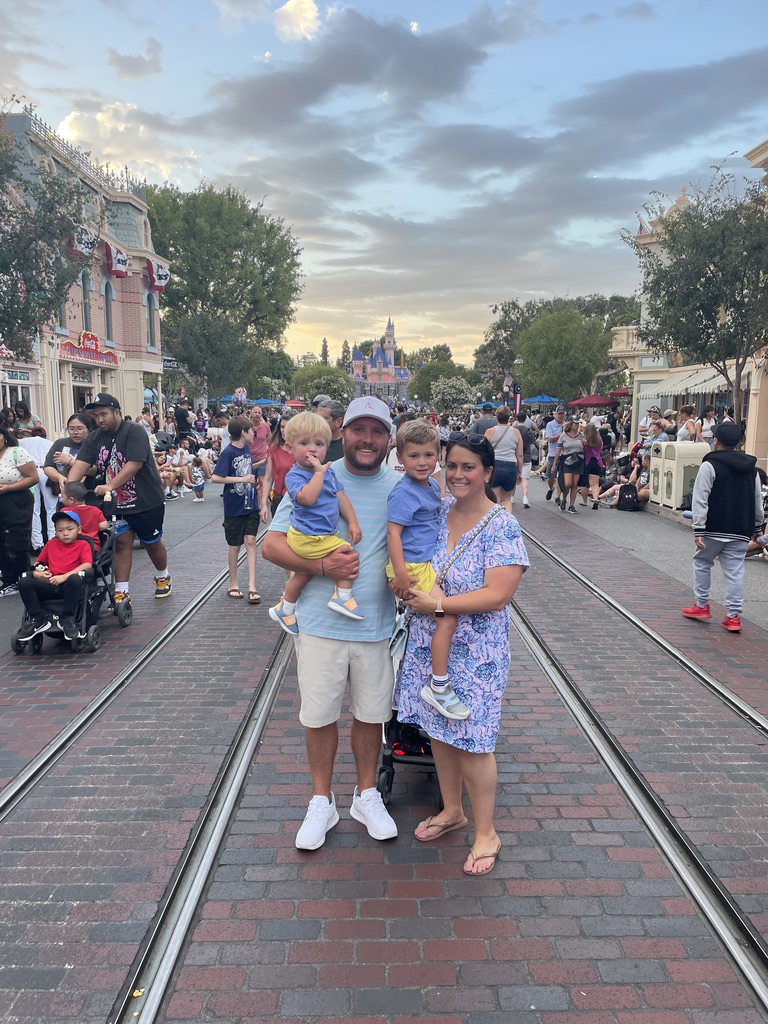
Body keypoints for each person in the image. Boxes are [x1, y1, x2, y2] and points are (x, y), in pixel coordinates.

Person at [262, 395, 399, 851]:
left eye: (377, 431)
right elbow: (272, 545)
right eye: (359, 430)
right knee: (319, 717)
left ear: (388, 438)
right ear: (343, 433)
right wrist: (322, 568)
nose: (367, 439)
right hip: (321, 623)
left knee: (371, 715)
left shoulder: (402, 484)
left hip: (376, 624)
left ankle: (366, 794)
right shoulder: (314, 472)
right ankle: (321, 801)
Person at [394, 432, 528, 875]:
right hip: (429, 644)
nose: (457, 474)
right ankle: (452, 810)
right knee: (438, 729)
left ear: (487, 472)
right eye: (451, 465)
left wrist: (438, 605)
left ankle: (487, 833)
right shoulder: (437, 511)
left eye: (468, 467)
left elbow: (498, 594)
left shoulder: (501, 525)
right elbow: (414, 561)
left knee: (473, 740)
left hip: (477, 652)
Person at [386, 420, 463, 719]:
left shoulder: (430, 485)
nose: (422, 462)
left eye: (428, 455)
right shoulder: (404, 492)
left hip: (422, 564)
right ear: (400, 458)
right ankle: (438, 685)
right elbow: (393, 534)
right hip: (412, 567)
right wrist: (401, 573)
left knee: (441, 618)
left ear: (438, 456)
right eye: (414, 456)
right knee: (447, 617)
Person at [68, 393, 172, 602]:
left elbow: (134, 464)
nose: (100, 419)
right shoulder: (95, 437)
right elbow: (81, 464)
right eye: (96, 416)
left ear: (117, 412)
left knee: (151, 542)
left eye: (104, 414)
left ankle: (163, 575)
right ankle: (121, 591)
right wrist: (70, 490)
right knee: (121, 544)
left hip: (145, 500)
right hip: (115, 503)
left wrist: (110, 485)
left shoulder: (134, 431)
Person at [269, 411, 364, 633]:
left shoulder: (328, 474)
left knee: (303, 574)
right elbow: (307, 498)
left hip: (320, 535)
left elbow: (341, 497)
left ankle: (285, 608)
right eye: (304, 443)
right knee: (347, 553)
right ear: (290, 447)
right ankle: (342, 597)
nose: (312, 449)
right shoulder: (296, 475)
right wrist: (319, 474)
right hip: (307, 536)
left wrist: (353, 523)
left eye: (319, 444)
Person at [682, 420, 763, 633]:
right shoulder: (752, 470)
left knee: (702, 562)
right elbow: (757, 501)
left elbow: (700, 499)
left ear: (716, 440)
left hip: (714, 526)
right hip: (741, 528)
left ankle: (702, 605)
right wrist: (757, 527)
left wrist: (698, 528)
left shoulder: (709, 465)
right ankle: (733, 616)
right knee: (735, 571)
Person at [16, 509, 93, 641]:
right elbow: (39, 562)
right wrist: (38, 574)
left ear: (79, 530)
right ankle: (38, 619)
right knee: (24, 581)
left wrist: (64, 576)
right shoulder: (51, 543)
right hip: (49, 584)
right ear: (56, 532)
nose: (65, 533)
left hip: (69, 586)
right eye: (60, 530)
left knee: (75, 579)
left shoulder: (83, 544)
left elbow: (87, 565)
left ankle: (67, 618)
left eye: (70, 529)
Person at [210, 415, 261, 604]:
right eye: (251, 430)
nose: (254, 433)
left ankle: (252, 585)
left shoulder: (246, 448)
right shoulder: (228, 452)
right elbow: (216, 477)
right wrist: (242, 479)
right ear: (243, 432)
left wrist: (262, 463)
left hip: (250, 503)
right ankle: (233, 583)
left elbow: (246, 469)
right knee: (235, 545)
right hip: (234, 505)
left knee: (251, 540)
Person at [0, 425, 38, 597]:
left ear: (4, 436)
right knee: (2, 541)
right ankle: (8, 579)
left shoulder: (16, 452)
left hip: (16, 500)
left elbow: (33, 478)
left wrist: (9, 488)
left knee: (16, 540)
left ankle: (22, 579)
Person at [19, 426, 55, 550]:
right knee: (51, 508)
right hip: (46, 471)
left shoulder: (23, 442)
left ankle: (37, 544)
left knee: (35, 509)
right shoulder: (50, 443)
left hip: (31, 473)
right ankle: (53, 539)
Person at [43, 414, 96, 496]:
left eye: (79, 428)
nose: (75, 432)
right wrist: (59, 477)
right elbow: (48, 467)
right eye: (71, 429)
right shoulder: (60, 443)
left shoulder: (93, 444)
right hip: (64, 490)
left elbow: (95, 470)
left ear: (88, 429)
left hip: (90, 489)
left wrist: (69, 461)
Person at [484, 406, 522, 512]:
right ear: (509, 417)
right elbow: (519, 455)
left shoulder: (490, 432)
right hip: (511, 466)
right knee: (506, 499)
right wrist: (519, 472)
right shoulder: (516, 432)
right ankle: (507, 520)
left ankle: (496, 520)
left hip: (495, 465)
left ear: (496, 417)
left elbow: (484, 452)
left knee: (495, 499)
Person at [260, 410, 296, 520]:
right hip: (279, 499)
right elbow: (268, 478)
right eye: (282, 427)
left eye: (288, 427)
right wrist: (263, 505)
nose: (284, 431)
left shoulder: (303, 449)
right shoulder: (274, 449)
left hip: (298, 500)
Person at [60, 481, 108, 550]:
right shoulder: (95, 510)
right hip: (92, 547)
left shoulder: (65, 512)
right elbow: (104, 526)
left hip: (72, 548)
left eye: (62, 497)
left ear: (71, 500)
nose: (61, 500)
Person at [551, 418, 584, 513]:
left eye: (578, 424)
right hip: (567, 461)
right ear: (571, 424)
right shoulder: (563, 436)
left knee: (575, 484)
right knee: (567, 483)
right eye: (575, 423)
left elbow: (587, 444)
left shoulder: (581, 435)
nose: (577, 425)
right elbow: (558, 451)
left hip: (578, 460)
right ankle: (564, 499)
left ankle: (571, 505)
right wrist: (554, 464)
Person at [249, 406, 272, 503]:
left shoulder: (266, 427)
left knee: (262, 481)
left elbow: (270, 440)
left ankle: (261, 503)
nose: (257, 414)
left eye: (259, 413)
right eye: (255, 412)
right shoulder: (247, 426)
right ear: (251, 414)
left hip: (262, 458)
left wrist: (269, 453)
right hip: (250, 458)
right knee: (251, 481)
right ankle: (251, 502)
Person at [544, 406, 566, 502]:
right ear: (555, 414)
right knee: (551, 476)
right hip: (553, 454)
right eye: (559, 414)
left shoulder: (566, 424)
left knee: (561, 477)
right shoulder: (550, 425)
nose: (561, 416)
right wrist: (561, 434)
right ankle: (550, 488)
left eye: (562, 414)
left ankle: (558, 497)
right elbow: (549, 439)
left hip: (564, 454)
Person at [312, 398, 345, 463]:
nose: (318, 421)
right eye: (317, 417)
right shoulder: (310, 442)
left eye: (323, 418)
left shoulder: (348, 446)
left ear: (338, 422)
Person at [513, 411, 534, 508]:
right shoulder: (529, 431)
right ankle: (525, 497)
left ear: (517, 418)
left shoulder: (513, 430)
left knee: (513, 478)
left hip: (514, 456)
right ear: (526, 419)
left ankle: (511, 497)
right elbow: (531, 447)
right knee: (525, 478)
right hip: (526, 456)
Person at [582, 422, 605, 510]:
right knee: (595, 483)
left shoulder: (584, 439)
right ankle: (595, 499)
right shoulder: (599, 439)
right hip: (596, 461)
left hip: (587, 461)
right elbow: (600, 449)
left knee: (585, 483)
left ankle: (584, 501)